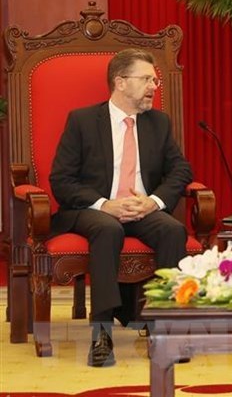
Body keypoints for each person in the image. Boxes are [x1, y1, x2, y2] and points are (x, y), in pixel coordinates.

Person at [50, 48, 193, 367]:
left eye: (154, 80)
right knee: (107, 227)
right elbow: (61, 180)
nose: (154, 86)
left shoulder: (158, 122)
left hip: (143, 209)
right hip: (95, 210)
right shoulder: (83, 121)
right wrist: (105, 205)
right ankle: (101, 335)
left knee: (173, 230)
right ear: (121, 82)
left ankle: (164, 331)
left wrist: (153, 201)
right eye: (146, 79)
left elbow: (181, 170)